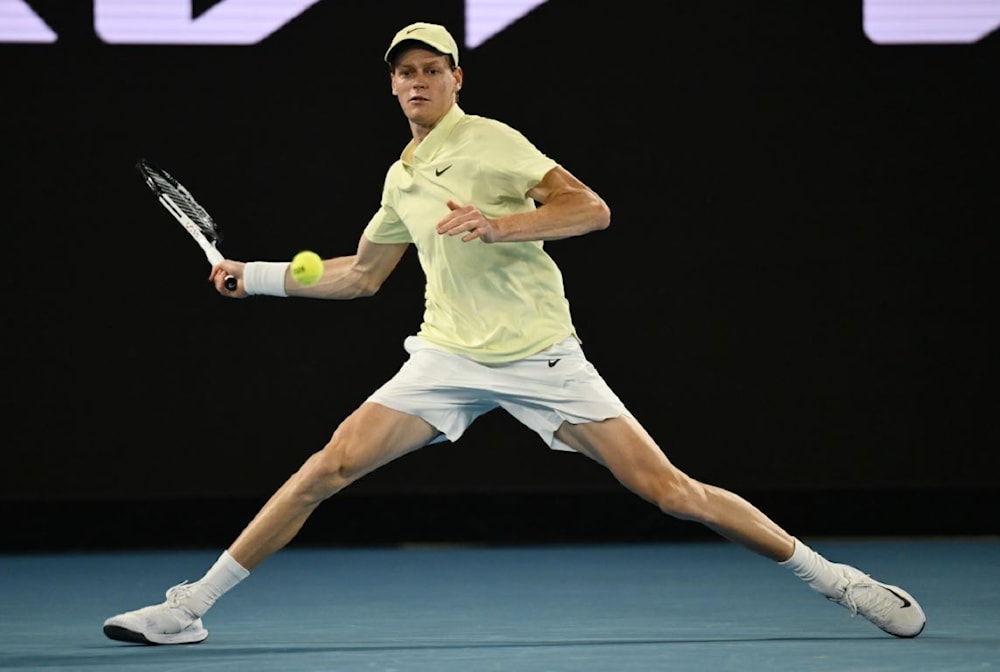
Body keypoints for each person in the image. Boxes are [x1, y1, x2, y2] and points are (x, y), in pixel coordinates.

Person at [103, 21, 926, 645]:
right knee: (327, 467)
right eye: (405, 72)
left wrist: (502, 224)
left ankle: (836, 581)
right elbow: (362, 273)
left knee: (671, 493)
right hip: (446, 354)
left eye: (431, 69)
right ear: (392, 89)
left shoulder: (490, 140)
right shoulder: (401, 175)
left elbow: (591, 209)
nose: (418, 80)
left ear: (456, 78)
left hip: (540, 355)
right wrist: (258, 276)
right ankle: (190, 608)